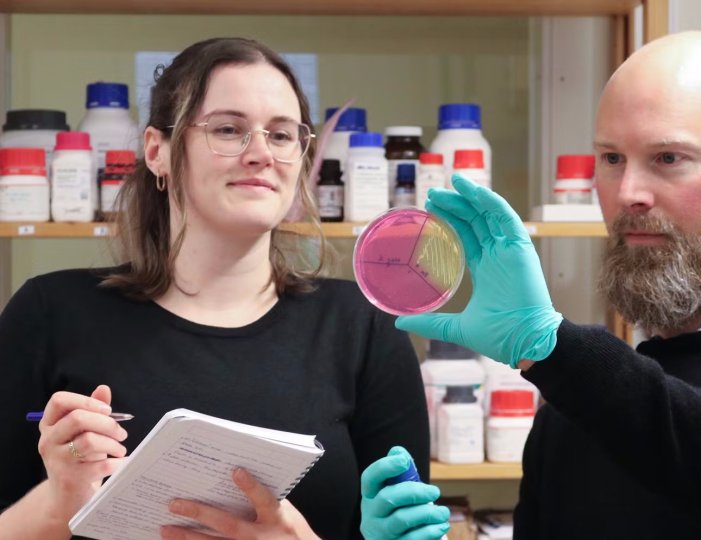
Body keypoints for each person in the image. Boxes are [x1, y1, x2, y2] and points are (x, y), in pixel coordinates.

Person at [361, 30, 701, 539]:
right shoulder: (574, 409)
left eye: (669, 158)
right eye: (611, 158)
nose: (628, 193)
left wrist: (551, 350)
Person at [0, 37, 429, 539]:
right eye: (229, 129)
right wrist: (60, 501)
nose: (261, 154)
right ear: (157, 150)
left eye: (283, 135)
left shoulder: (364, 326)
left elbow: (408, 525)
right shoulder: (50, 312)